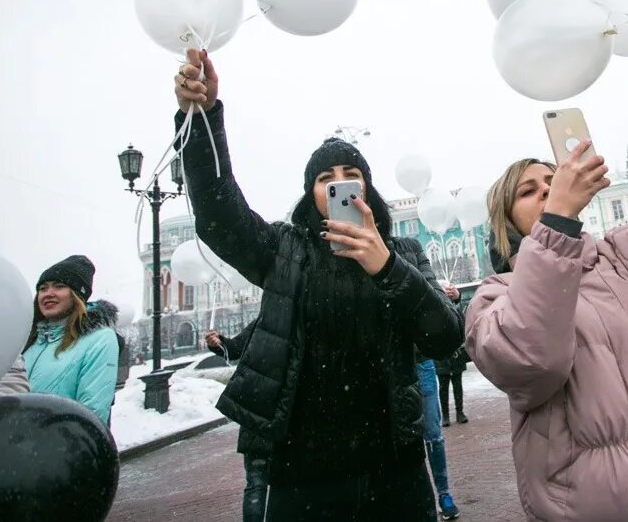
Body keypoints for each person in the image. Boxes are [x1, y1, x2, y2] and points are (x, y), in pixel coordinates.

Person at [173, 48, 463, 521]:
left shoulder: (403, 254)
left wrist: (384, 265)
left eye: (352, 175)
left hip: (395, 472)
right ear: (311, 194)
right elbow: (219, 216)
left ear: (367, 188)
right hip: (304, 478)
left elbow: (445, 336)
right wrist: (204, 118)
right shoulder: (285, 251)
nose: (341, 184)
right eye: (326, 178)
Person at [466, 22, 628, 522]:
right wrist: (558, 224)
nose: (547, 188)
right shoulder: (492, 298)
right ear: (505, 219)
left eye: (553, 179)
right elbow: (531, 364)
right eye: (529, 191)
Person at [401, 240, 462, 521]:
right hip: (390, 363)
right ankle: (415, 496)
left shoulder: (409, 248)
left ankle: (443, 493)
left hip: (421, 361)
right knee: (401, 439)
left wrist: (450, 297)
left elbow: (431, 291)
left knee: (433, 434)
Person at [23, 255, 120, 427]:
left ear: (76, 295)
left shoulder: (99, 339)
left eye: (59, 286)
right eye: (43, 288)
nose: (48, 294)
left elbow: (91, 414)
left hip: (57, 448)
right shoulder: (27, 339)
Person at [207, 321, 269, 522]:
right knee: (259, 484)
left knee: (256, 484)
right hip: (262, 413)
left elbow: (235, 348)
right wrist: (219, 344)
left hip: (259, 412)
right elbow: (233, 348)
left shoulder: (265, 321)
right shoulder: (267, 321)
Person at [433, 281, 468, 429]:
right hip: (441, 353)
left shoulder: (456, 304)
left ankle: (460, 412)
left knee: (457, 383)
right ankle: (446, 415)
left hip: (456, 352)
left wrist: (457, 296)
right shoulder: (433, 301)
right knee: (443, 385)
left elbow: (462, 318)